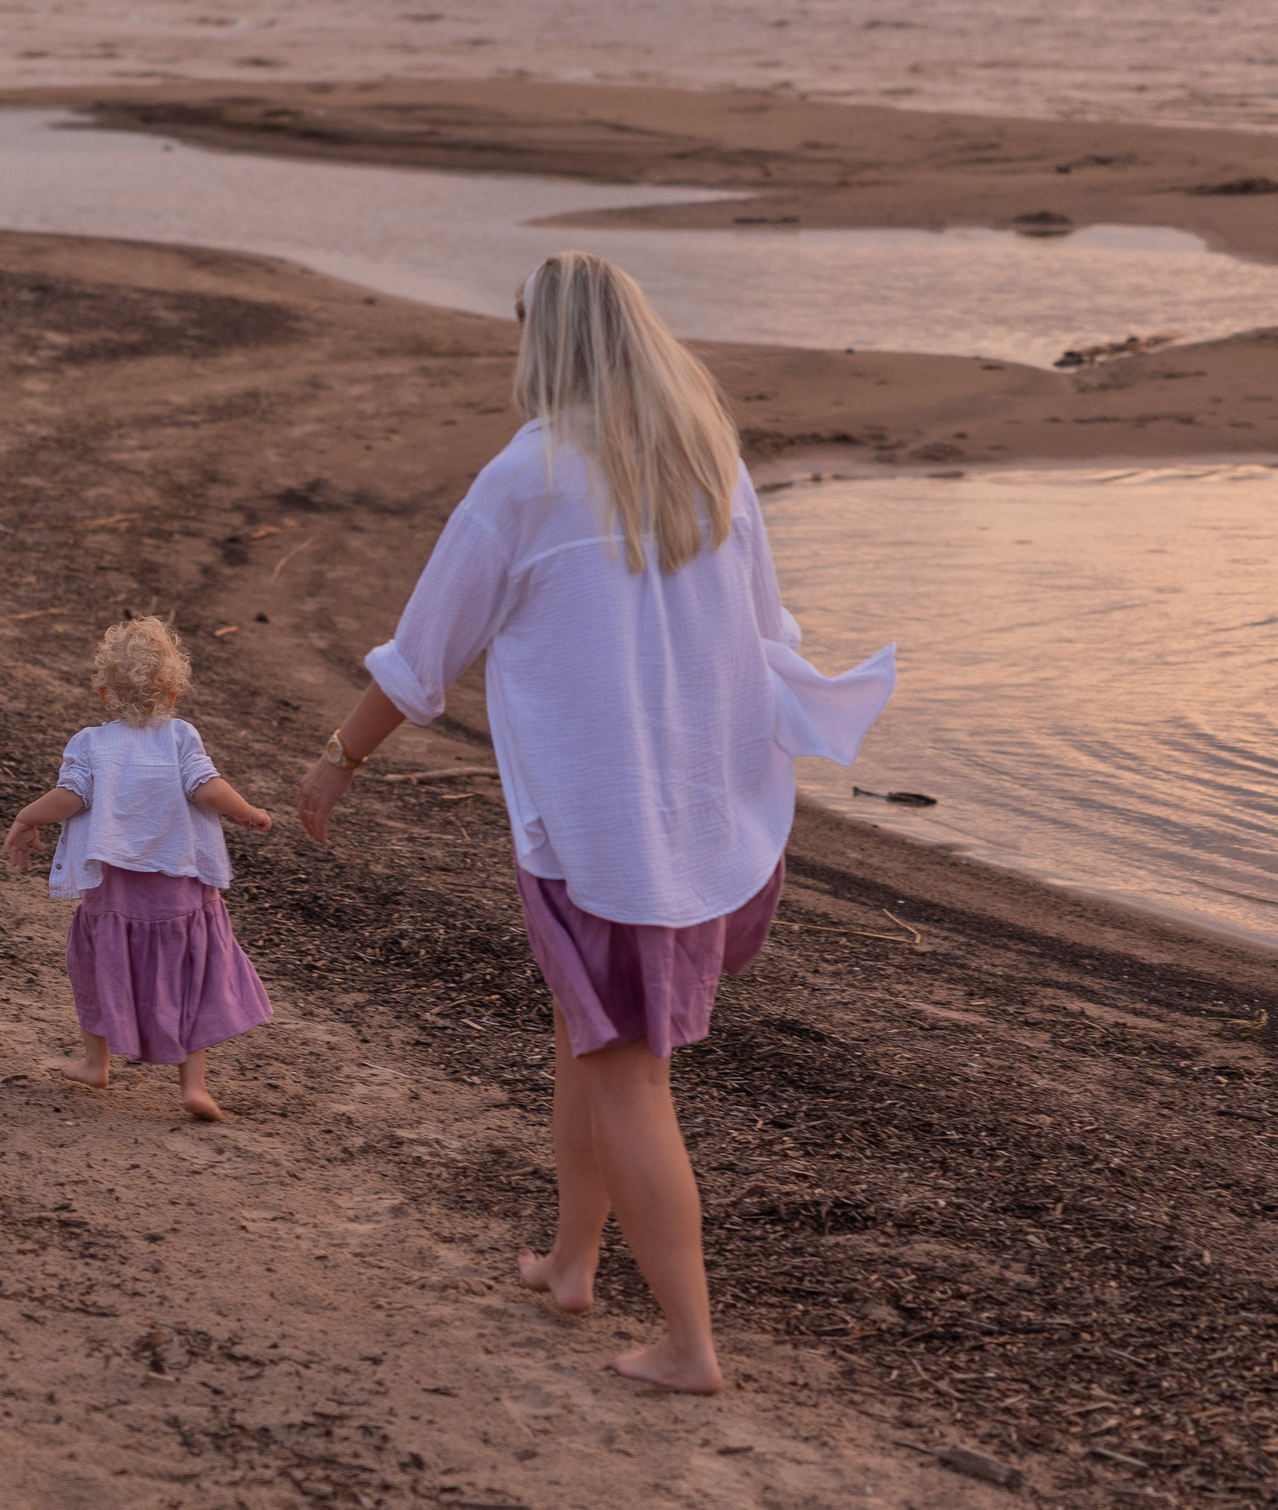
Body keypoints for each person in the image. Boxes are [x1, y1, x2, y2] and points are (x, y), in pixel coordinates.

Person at [296, 252, 894, 1393]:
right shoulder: (705, 454)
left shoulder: (525, 474)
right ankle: (573, 1263)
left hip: (598, 830)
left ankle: (688, 1343)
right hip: (699, 809)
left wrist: (336, 762)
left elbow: (422, 657)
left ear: (545, 342)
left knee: (626, 1068)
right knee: (593, 1041)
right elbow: (771, 628)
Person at [6, 617, 275, 1122]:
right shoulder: (180, 737)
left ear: (105, 694)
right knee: (192, 975)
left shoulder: (89, 743)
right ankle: (193, 1085)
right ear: (174, 693)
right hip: (181, 890)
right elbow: (206, 786)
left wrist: (26, 817)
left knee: (96, 967)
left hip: (115, 894)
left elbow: (70, 798)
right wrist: (245, 810)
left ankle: (95, 1062)